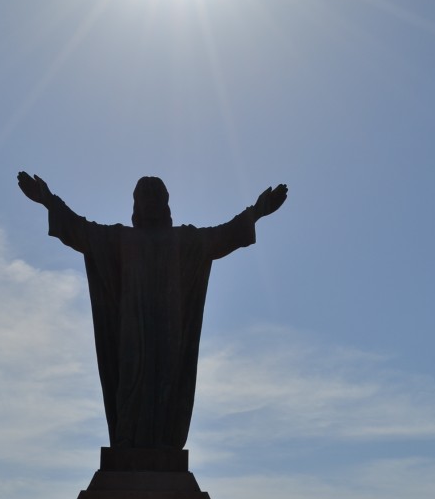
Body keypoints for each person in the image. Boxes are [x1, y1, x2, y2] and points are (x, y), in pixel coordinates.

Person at [17, 172, 287, 449]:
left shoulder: (184, 241)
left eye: (155, 196)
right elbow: (81, 230)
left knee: (167, 385)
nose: (150, 202)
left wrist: (257, 212)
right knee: (131, 380)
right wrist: (48, 201)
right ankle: (127, 443)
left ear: (165, 203)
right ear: (135, 204)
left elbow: (222, 236)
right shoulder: (120, 239)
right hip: (132, 328)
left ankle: (164, 445)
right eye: (144, 196)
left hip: (169, 329)